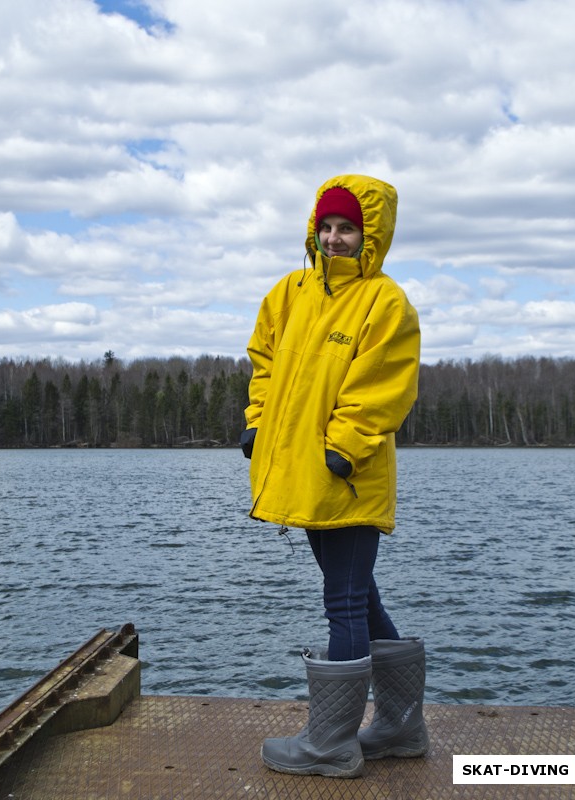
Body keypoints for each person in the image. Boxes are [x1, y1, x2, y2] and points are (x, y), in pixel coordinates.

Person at [241, 174, 428, 778]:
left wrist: (343, 448)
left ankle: (331, 744)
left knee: (343, 601)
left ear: (370, 235)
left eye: (347, 227)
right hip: (301, 471)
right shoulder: (289, 292)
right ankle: (399, 728)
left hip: (348, 475)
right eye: (326, 226)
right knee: (359, 595)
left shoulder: (385, 301)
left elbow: (384, 386)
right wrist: (257, 422)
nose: (334, 237)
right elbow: (264, 361)